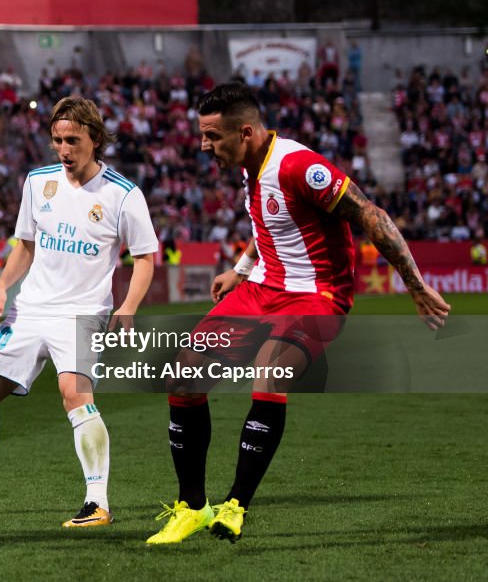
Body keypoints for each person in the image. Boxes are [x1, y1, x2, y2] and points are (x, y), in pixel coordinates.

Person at [147, 83, 451, 545]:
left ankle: (236, 506)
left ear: (245, 132)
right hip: (262, 289)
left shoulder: (298, 165)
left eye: (212, 137)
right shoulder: (252, 163)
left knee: (270, 371)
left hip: (317, 297)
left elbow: (371, 215)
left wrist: (415, 284)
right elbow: (273, 219)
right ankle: (192, 507)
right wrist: (241, 268)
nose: (204, 147)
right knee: (184, 374)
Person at [0, 96, 159, 528]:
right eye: (57, 140)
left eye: (73, 140)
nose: (64, 149)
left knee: (75, 394)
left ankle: (97, 502)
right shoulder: (37, 183)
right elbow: (26, 246)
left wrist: (128, 307)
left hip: (84, 312)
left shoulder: (123, 195)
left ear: (95, 139)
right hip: (30, 308)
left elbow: (145, 257)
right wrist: (1, 284)